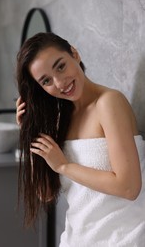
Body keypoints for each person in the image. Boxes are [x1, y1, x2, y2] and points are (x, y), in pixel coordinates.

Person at [16, 32, 145, 246]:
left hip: (123, 238)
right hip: (77, 239)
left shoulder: (108, 103)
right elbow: (46, 194)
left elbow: (129, 188)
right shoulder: (60, 120)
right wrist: (28, 135)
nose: (59, 82)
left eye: (61, 66)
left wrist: (64, 166)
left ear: (74, 54)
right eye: (46, 81)